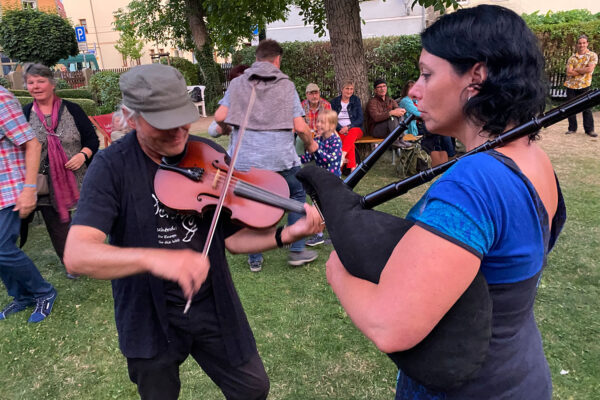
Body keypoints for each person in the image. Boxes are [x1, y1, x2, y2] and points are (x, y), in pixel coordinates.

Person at [325, 5, 565, 399]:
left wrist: (337, 265)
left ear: (476, 78)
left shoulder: (475, 180)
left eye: (426, 73)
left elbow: (391, 325)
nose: (415, 90)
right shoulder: (533, 159)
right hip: (521, 376)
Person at [63, 64, 322, 399]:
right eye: (162, 123)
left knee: (253, 388)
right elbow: (78, 254)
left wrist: (286, 235)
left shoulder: (208, 155)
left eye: (181, 118)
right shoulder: (111, 167)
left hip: (211, 302)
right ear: (130, 117)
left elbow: (231, 238)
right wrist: (159, 261)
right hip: (147, 313)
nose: (177, 132)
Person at [214, 39, 319, 272]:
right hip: (279, 159)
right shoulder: (287, 86)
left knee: (253, 203)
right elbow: (301, 128)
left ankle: (255, 259)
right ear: (277, 60)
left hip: (245, 161)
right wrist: (311, 145)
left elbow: (219, 116)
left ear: (257, 58)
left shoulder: (238, 83)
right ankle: (297, 250)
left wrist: (229, 126)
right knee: (297, 193)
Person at [22, 63, 99, 278]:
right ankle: (71, 264)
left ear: (52, 83)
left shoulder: (73, 109)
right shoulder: (25, 113)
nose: (36, 86)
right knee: (58, 226)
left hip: (78, 178)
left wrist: (82, 155)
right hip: (45, 181)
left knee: (82, 222)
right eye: (30, 82)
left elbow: (92, 140)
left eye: (41, 81)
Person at [0, 85, 57, 323]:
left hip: (9, 188)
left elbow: (33, 144)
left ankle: (44, 292)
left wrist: (30, 188)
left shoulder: (1, 99)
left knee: (2, 247)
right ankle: (22, 296)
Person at [300, 109, 343, 247]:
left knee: (326, 208)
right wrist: (296, 159)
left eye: (322, 122)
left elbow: (330, 159)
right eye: (317, 121)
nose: (318, 124)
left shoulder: (336, 141)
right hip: (319, 181)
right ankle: (322, 235)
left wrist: (317, 148)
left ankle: (328, 235)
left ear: (331, 125)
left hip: (331, 181)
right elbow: (309, 157)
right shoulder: (318, 139)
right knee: (320, 207)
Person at [399, 80, 453, 167]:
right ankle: (450, 156)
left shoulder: (415, 101)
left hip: (420, 127)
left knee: (442, 131)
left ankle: (442, 158)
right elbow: (418, 113)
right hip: (411, 130)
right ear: (406, 90)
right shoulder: (405, 101)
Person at [564, 34, 597, 137]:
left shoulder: (592, 56)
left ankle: (589, 130)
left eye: (583, 43)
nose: (581, 45)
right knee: (570, 108)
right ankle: (572, 128)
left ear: (587, 43)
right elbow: (569, 73)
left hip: (584, 85)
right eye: (579, 43)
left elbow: (590, 69)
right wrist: (583, 70)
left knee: (587, 108)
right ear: (577, 44)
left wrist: (576, 69)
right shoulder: (572, 58)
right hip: (571, 86)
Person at [330, 80, 364, 172]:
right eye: (347, 89)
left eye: (351, 89)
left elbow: (360, 119)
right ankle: (353, 168)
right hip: (340, 130)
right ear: (342, 89)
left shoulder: (355, 100)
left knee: (351, 133)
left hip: (355, 129)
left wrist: (348, 127)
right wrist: (340, 128)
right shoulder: (334, 102)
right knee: (348, 141)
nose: (349, 91)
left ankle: (341, 157)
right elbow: (332, 119)